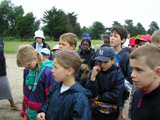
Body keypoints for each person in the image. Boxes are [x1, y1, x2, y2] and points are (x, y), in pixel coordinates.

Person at [37, 50, 92, 120]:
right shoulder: (55, 88)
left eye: (55, 67)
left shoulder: (80, 98)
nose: (52, 70)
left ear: (69, 71)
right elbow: (48, 103)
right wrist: (43, 112)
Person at [17, 44, 57, 120]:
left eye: (28, 65)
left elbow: (51, 97)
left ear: (35, 58)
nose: (26, 67)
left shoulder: (48, 72)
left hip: (42, 114)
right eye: (24, 66)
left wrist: (46, 113)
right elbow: (26, 92)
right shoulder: (27, 71)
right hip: (30, 112)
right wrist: (24, 108)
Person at [85, 46, 124, 120]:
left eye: (105, 62)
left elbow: (116, 95)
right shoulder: (93, 72)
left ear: (113, 61)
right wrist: (93, 78)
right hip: (94, 113)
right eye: (99, 61)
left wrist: (99, 97)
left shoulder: (118, 74)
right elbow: (90, 94)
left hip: (110, 114)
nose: (102, 64)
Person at [130, 44, 160, 120]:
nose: (132, 74)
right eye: (132, 69)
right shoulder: (137, 93)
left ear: (157, 72)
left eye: (138, 70)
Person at [110, 26, 132, 120]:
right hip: (108, 85)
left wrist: (122, 84)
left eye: (115, 36)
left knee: (119, 106)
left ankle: (120, 115)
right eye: (111, 35)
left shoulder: (126, 55)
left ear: (123, 40)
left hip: (120, 87)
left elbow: (129, 73)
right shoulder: (107, 52)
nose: (112, 38)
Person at [0, 38, 20, 111]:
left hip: (1, 68)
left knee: (5, 86)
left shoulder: (0, 40)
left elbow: (1, 52)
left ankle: (12, 105)